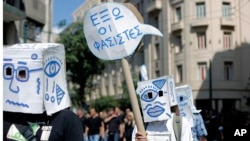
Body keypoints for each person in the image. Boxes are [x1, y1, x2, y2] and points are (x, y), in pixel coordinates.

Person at [3, 43, 83, 141]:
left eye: (24, 73)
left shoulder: (66, 119)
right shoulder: (6, 118)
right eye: (12, 73)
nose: (17, 80)